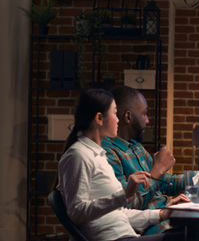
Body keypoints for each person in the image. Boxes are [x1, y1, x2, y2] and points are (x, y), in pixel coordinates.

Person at [101, 85, 199, 234]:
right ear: (128, 117)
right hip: (154, 227)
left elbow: (167, 183)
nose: (148, 120)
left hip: (169, 216)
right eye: (144, 114)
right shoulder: (107, 153)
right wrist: (156, 171)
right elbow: (123, 207)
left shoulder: (136, 147)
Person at [57, 89, 183, 241]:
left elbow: (117, 214)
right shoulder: (78, 155)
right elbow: (76, 212)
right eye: (115, 113)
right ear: (99, 118)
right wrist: (124, 194)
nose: (118, 119)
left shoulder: (98, 155)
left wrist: (162, 213)